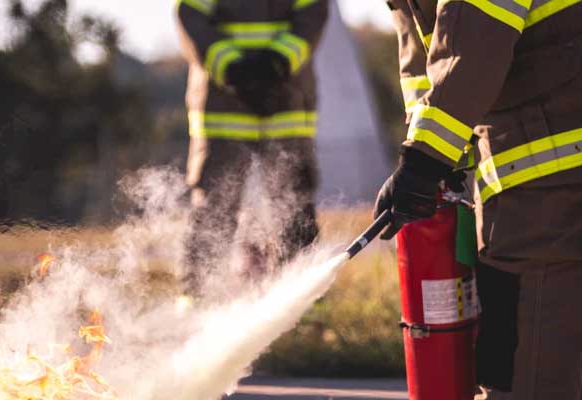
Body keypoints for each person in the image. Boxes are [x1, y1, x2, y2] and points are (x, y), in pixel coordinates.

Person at [376, 0, 582, 398]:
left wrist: (424, 159)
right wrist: (435, 153)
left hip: (549, 192)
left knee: (529, 377)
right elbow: (425, 65)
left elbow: (472, 45)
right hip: (534, 186)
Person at [175, 0, 328, 290]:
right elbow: (191, 16)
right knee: (214, 209)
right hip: (227, 104)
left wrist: (277, 64)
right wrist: (233, 69)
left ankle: (302, 306)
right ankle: (197, 303)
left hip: (284, 101)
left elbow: (312, 13)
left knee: (295, 207)